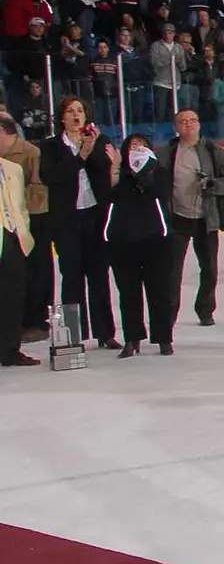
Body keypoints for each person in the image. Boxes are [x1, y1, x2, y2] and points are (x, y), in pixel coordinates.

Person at [38, 97, 118, 348]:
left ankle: (105, 333)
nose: (76, 115)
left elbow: (104, 173)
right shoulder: (50, 146)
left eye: (80, 111)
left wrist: (90, 148)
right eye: (70, 111)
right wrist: (80, 155)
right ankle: (72, 336)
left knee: (99, 275)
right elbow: (51, 177)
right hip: (66, 220)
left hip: (95, 216)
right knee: (71, 276)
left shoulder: (99, 140)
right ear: (62, 118)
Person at [157, 107, 224, 329]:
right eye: (183, 121)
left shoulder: (214, 150)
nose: (188, 125)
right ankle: (169, 315)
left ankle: (205, 309)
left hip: (206, 218)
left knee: (209, 268)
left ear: (199, 124)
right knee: (173, 271)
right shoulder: (166, 153)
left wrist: (212, 184)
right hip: (177, 218)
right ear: (175, 127)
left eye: (192, 120)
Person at [105, 134, 177, 358]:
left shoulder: (158, 171)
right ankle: (132, 338)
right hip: (122, 241)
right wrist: (116, 169)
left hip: (155, 239)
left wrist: (144, 174)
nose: (137, 149)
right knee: (128, 294)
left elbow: (161, 194)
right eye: (133, 146)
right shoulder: (120, 173)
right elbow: (110, 196)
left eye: (141, 146)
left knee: (159, 291)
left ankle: (163, 338)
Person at [0, 117, 37, 367]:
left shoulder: (13, 169)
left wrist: (23, 231)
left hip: (14, 238)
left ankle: (10, 350)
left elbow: (21, 206)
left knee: (13, 298)